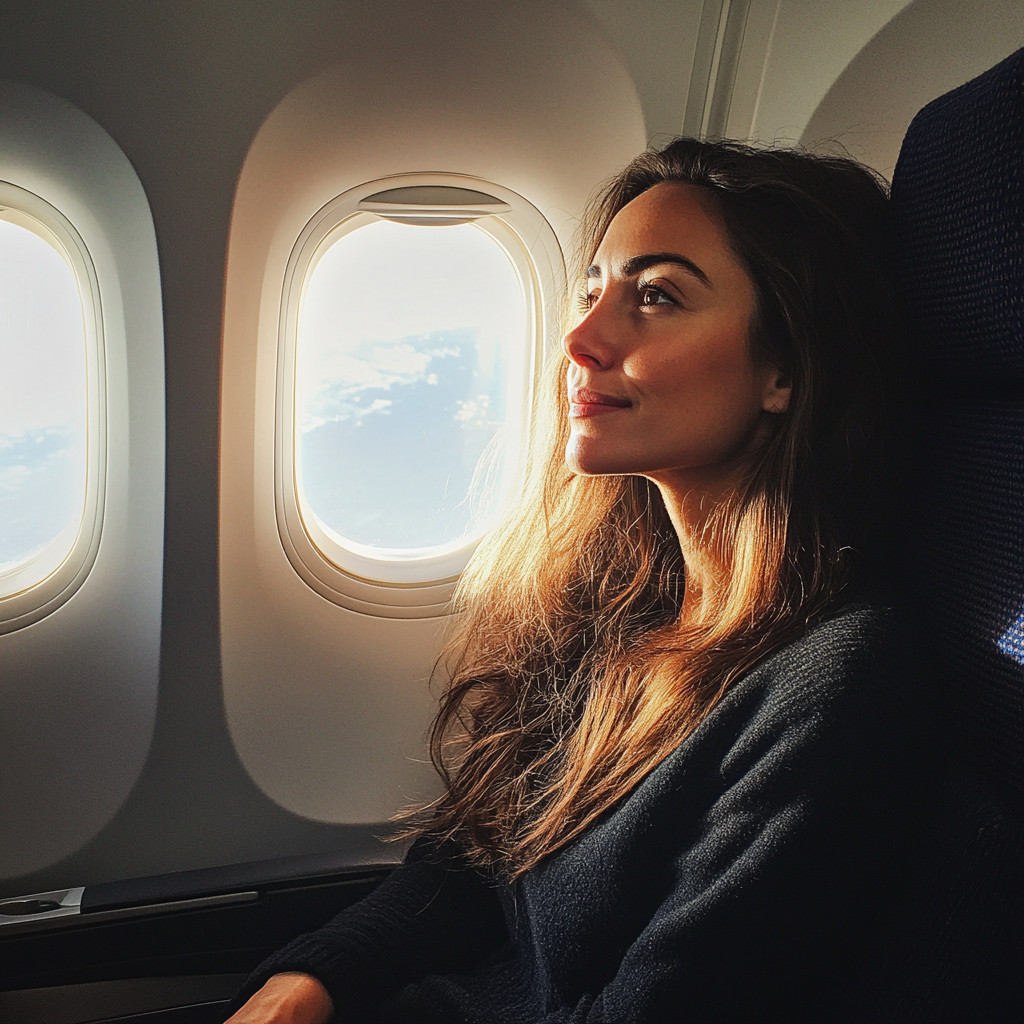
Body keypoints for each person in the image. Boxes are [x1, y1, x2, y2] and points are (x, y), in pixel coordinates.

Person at [226, 138, 928, 1023]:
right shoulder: (624, 611)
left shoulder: (836, 686)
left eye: (657, 296)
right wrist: (308, 985)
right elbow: (470, 863)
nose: (580, 337)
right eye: (593, 289)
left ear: (783, 370)